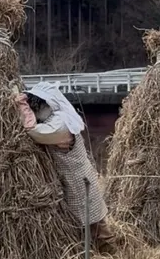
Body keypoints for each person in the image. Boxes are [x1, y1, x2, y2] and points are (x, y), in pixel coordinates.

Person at [16, 83, 113, 243]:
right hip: (76, 178)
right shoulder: (60, 117)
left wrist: (22, 106)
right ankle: (93, 252)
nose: (36, 108)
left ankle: (110, 254)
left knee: (95, 223)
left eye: (39, 104)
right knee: (85, 222)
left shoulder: (59, 124)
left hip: (78, 181)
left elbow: (34, 131)